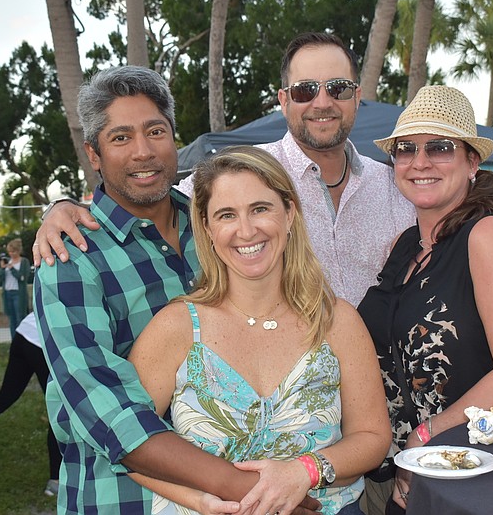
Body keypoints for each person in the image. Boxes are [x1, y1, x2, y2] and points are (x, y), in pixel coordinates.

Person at [35, 65, 322, 515]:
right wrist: (244, 488)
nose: (143, 151)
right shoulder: (71, 258)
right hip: (122, 497)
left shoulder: (217, 225)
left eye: (155, 131)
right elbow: (106, 410)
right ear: (94, 154)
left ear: (173, 136)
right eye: (120, 138)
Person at [33, 32, 415, 309]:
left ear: (357, 96)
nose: (322, 102)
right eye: (305, 90)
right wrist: (62, 208)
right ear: (284, 100)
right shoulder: (243, 174)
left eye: (338, 88)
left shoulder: (395, 185)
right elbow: (154, 194)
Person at [126, 146, 391, 515]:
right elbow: (128, 443)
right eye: (226, 215)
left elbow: (372, 436)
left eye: (260, 209)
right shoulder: (178, 327)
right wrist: (200, 500)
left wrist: (304, 471)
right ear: (207, 228)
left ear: (289, 213)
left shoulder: (336, 321)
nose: (246, 230)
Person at [357, 85, 493, 512]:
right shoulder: (405, 245)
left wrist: (425, 437)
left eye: (440, 147)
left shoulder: (487, 235)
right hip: (399, 475)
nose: (420, 162)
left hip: (468, 471)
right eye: (406, 149)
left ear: (472, 162)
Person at [0, 312, 61, 496]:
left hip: (24, 332)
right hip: (41, 342)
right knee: (58, 407)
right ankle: (55, 480)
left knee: (5, 397)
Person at [0, 238, 30, 336]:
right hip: (7, 293)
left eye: (13, 251)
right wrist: (2, 268)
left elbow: (23, 278)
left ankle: (22, 340)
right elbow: (0, 278)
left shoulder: (24, 262)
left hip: (18, 294)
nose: (11, 254)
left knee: (20, 318)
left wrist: (12, 269)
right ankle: (14, 340)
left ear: (18, 251)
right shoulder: (8, 261)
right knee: (12, 319)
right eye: (9, 252)